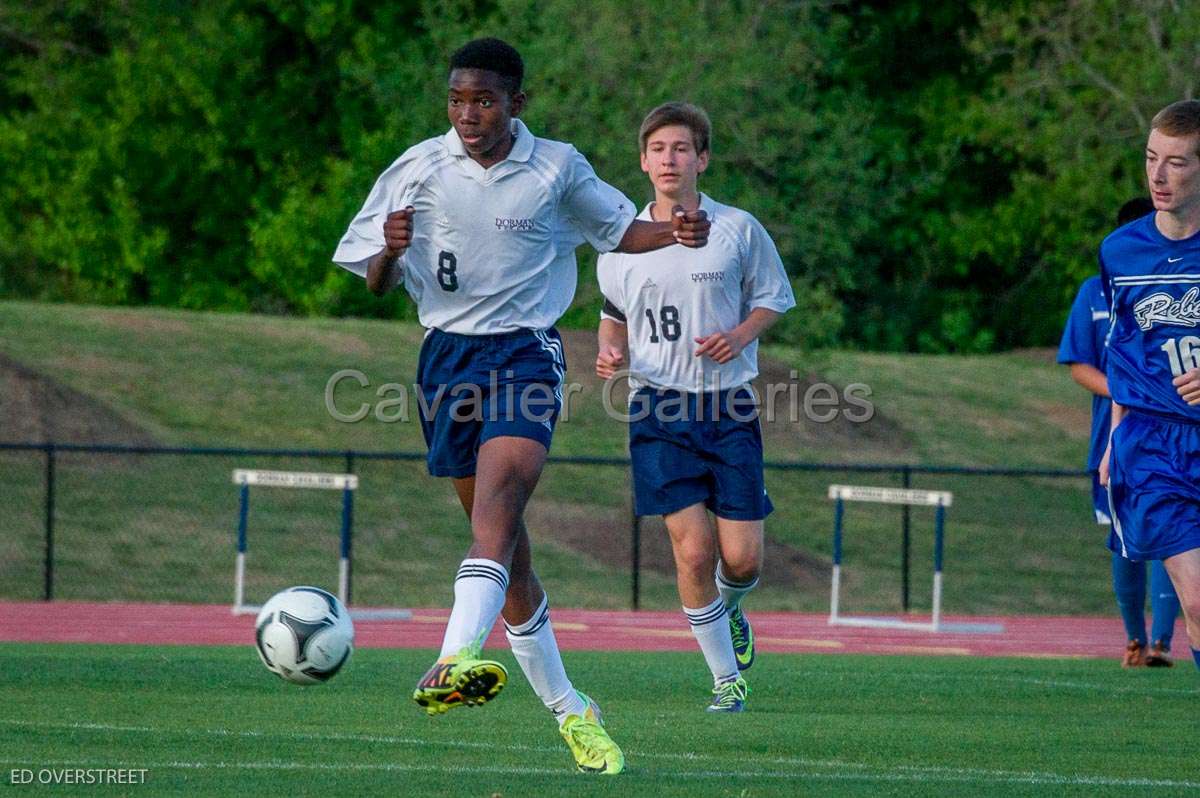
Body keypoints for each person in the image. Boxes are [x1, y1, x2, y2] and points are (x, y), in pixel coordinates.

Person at [331, 38, 710, 774]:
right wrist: (387, 251)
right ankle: (573, 709)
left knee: (501, 504)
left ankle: (452, 659)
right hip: (444, 360)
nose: (468, 114)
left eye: (484, 100)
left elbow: (617, 231)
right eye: (457, 100)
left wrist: (674, 230)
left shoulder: (555, 166)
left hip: (526, 354)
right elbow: (374, 279)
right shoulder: (417, 167)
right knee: (509, 555)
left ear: (516, 103)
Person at [594, 102, 795, 711]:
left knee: (741, 560)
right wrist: (610, 351)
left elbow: (774, 298)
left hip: (728, 410)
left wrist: (739, 335)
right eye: (658, 149)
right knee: (694, 551)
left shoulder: (737, 229)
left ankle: (731, 610)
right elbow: (612, 313)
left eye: (681, 148)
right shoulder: (621, 242)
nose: (669, 159)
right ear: (643, 161)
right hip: (656, 411)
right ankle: (726, 681)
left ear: (701, 159)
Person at [1099, 99, 1200, 675]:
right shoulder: (1121, 252)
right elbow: (1124, 360)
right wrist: (1116, 438)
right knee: (1198, 600)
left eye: (1178, 163)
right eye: (1150, 159)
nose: (1158, 176)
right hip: (1158, 446)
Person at [1058, 196, 1179, 668]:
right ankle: (1135, 639)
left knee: (1174, 538)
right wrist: (1131, 391)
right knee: (1125, 539)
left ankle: (1164, 643)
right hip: (1116, 436)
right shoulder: (1095, 292)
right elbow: (1078, 364)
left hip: (1176, 436)